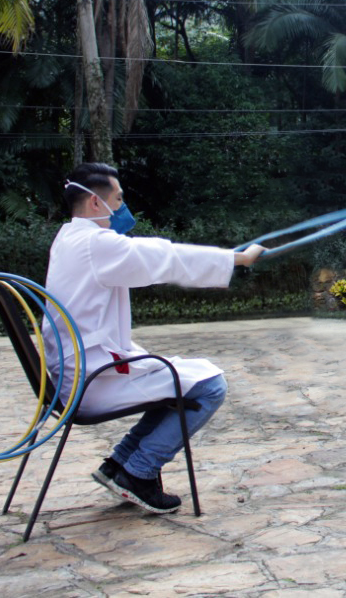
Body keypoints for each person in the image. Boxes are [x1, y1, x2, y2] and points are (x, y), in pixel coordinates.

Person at [44, 162, 265, 514]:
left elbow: (151, 260)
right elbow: (164, 257)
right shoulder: (96, 245)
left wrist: (225, 260)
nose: (122, 207)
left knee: (181, 380)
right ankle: (138, 472)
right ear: (94, 204)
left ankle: (119, 464)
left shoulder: (70, 238)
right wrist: (236, 259)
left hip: (78, 371)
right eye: (118, 199)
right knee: (210, 386)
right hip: (92, 379)